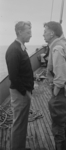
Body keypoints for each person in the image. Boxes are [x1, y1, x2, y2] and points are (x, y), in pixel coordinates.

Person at [43, 21, 66, 150]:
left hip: (61, 93)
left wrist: (54, 95)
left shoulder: (56, 48)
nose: (43, 34)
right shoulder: (60, 44)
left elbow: (60, 79)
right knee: (64, 126)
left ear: (52, 33)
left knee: (58, 130)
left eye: (45, 32)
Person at [5, 21, 34, 150]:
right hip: (20, 93)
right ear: (20, 32)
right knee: (19, 123)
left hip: (23, 91)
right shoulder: (14, 50)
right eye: (28, 32)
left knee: (22, 123)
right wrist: (25, 92)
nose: (31, 35)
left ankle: (20, 147)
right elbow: (13, 77)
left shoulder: (20, 47)